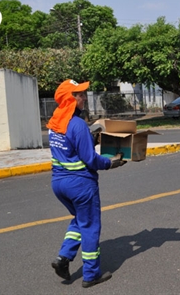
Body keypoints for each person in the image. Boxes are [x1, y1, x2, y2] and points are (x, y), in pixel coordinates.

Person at [47, 79, 126, 288]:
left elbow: (69, 149)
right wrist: (110, 163)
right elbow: (90, 160)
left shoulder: (54, 123)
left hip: (59, 184)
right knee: (90, 226)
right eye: (78, 94)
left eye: (83, 93)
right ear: (69, 99)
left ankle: (63, 258)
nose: (83, 97)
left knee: (80, 219)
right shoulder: (78, 125)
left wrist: (90, 139)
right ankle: (91, 274)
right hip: (80, 185)